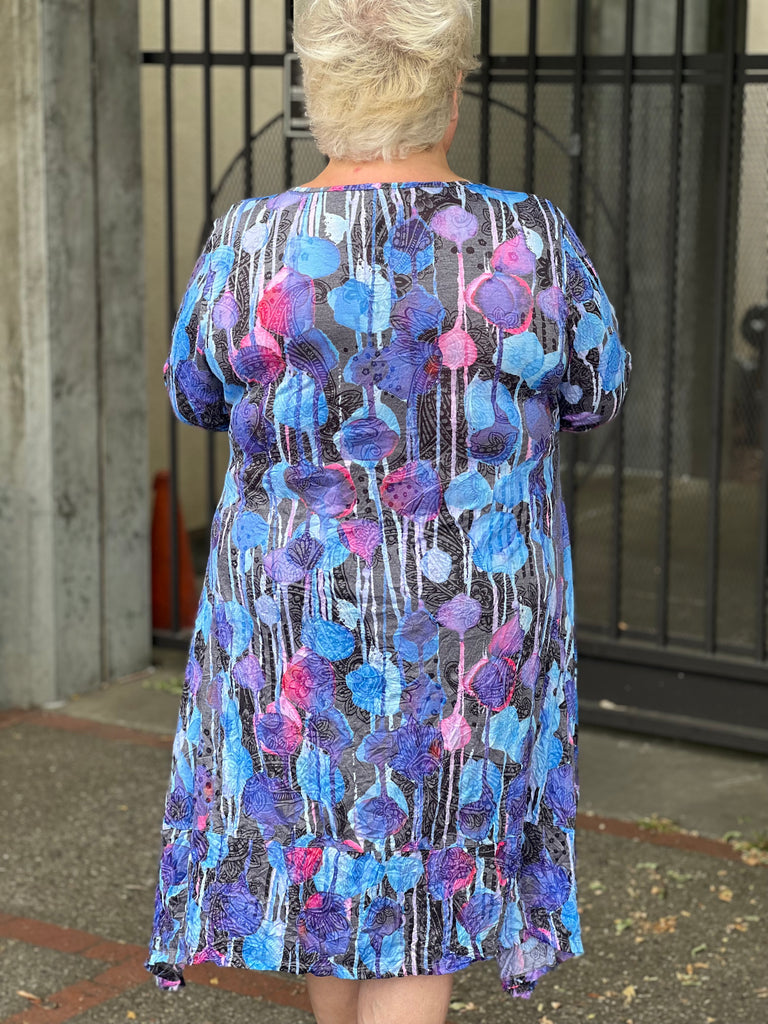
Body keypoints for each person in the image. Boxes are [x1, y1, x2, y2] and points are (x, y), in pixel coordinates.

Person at [143, 1, 633, 1022]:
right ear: (450, 95)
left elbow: (194, 393)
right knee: (431, 874)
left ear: (319, 97)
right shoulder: (527, 241)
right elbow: (597, 390)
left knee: (325, 847)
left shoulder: (248, 242)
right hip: (473, 625)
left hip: (287, 616)